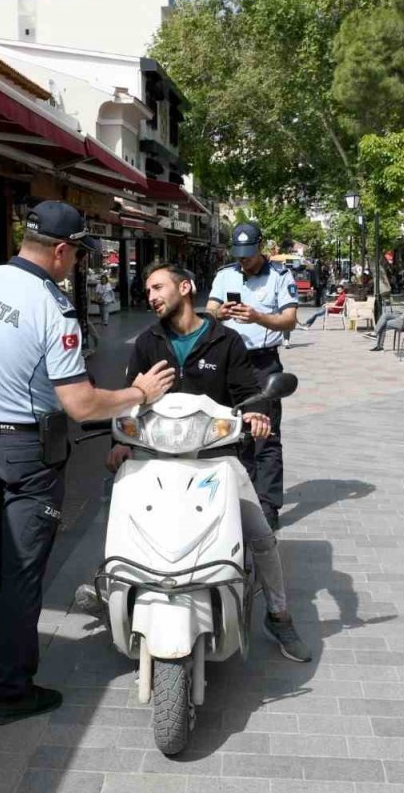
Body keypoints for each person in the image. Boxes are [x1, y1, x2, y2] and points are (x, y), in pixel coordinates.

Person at [0, 201, 174, 725]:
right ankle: (12, 690)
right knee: (21, 571)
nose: (78, 265)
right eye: (79, 255)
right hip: (26, 452)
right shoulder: (52, 307)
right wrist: (138, 393)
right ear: (61, 250)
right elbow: (81, 405)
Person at [107, 262, 312, 662]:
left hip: (215, 458)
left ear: (185, 287)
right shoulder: (147, 342)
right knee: (118, 513)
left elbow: (247, 392)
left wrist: (256, 413)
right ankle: (108, 589)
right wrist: (119, 441)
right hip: (155, 457)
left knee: (261, 534)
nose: (151, 296)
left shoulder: (225, 340)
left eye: (158, 287)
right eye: (148, 291)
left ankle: (278, 613)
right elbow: (130, 397)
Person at [206, 222, 299, 530]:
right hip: (229, 362)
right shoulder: (225, 275)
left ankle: (268, 506)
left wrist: (258, 317)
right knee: (232, 433)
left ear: (261, 247)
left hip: (262, 363)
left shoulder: (280, 277)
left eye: (248, 253)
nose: (243, 259)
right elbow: (209, 311)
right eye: (239, 254)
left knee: (266, 436)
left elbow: (289, 320)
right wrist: (220, 313)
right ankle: (240, 500)